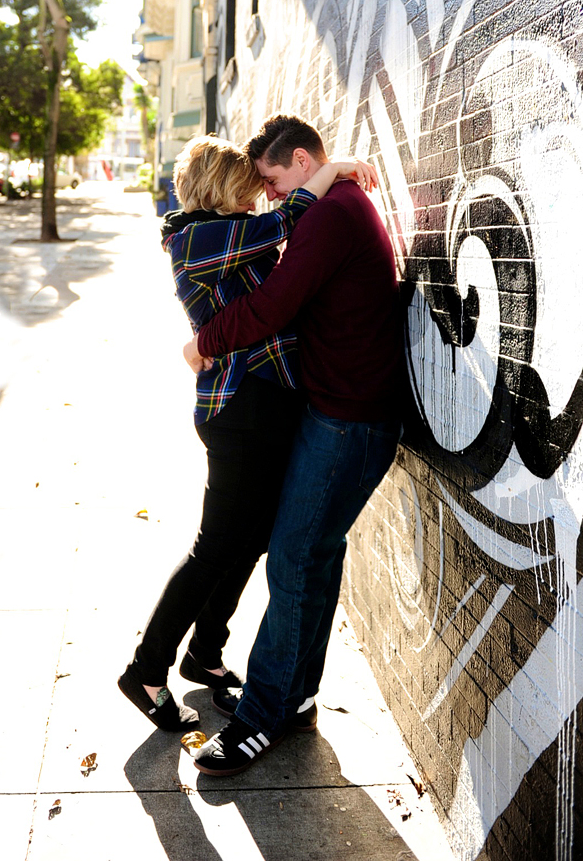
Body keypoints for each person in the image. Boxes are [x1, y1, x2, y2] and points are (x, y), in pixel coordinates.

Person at [118, 134, 375, 733]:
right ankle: (146, 669)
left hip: (262, 404)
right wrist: (332, 167)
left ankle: (205, 653)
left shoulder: (225, 233)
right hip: (238, 410)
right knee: (217, 545)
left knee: (252, 538)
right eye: (247, 182)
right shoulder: (197, 238)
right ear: (220, 184)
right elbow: (285, 221)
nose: (258, 192)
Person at [183, 115, 405, 776]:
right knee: (313, 558)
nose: (273, 195)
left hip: (349, 422)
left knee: (292, 560)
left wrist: (204, 342)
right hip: (343, 414)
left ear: (302, 161)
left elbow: (274, 303)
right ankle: (295, 698)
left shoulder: (333, 215)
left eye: (275, 181)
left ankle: (259, 719)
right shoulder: (331, 202)